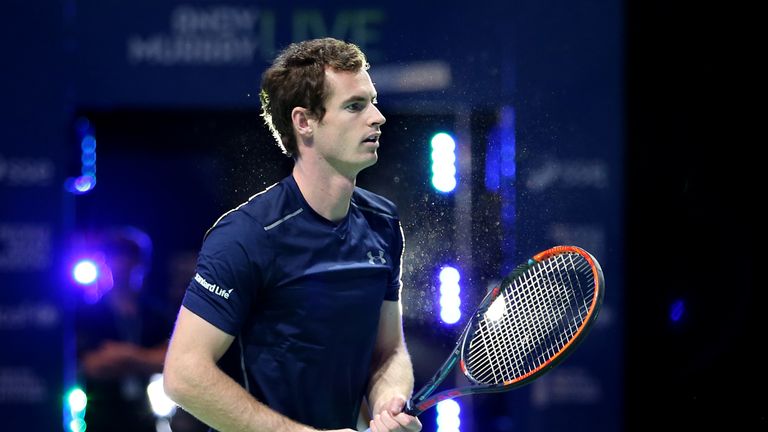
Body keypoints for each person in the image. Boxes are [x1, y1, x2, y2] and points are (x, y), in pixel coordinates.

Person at [162, 37, 422, 432]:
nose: (378, 117)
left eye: (373, 100)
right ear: (305, 122)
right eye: (355, 106)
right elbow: (183, 375)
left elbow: (388, 351)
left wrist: (389, 401)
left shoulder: (383, 223)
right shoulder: (245, 236)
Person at [75, 226, 172, 432]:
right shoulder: (88, 314)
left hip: (144, 417)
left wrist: (124, 355)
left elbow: (169, 363)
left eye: (128, 259)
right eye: (116, 258)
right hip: (101, 418)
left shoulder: (157, 314)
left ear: (140, 264)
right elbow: (92, 366)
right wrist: (145, 359)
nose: (121, 266)